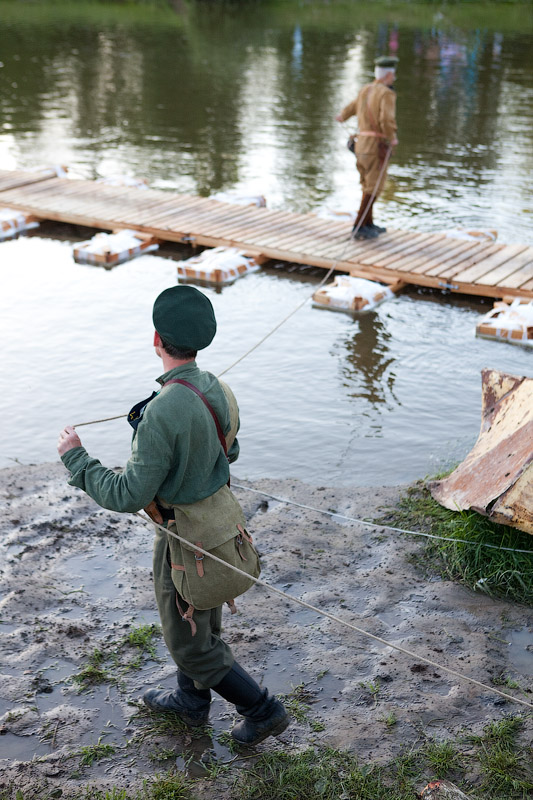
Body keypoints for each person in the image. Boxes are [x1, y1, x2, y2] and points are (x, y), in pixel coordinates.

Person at [57, 284, 289, 746]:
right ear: (203, 338)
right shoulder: (219, 388)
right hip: (221, 524)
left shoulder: (163, 411)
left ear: (156, 339)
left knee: (189, 643)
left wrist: (77, 459)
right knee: (200, 619)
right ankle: (191, 703)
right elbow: (231, 451)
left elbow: (126, 494)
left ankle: (262, 710)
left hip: (183, 537)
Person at [335, 55, 399, 240]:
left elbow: (350, 108)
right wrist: (392, 138)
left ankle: (368, 222)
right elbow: (386, 119)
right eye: (393, 76)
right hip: (376, 145)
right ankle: (359, 226)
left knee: (366, 185)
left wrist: (342, 115)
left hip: (360, 144)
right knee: (374, 186)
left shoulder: (365, 89)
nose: (393, 79)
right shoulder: (387, 93)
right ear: (388, 75)